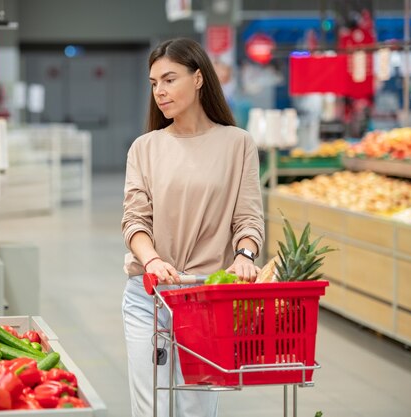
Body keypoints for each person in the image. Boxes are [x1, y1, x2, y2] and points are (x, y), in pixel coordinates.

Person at [121, 38, 265, 416]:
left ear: (199, 78)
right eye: (153, 83)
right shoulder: (144, 147)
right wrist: (151, 261)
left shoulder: (238, 144)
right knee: (151, 407)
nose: (160, 92)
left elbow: (248, 217)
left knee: (196, 410)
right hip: (148, 294)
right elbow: (134, 219)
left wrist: (245, 255)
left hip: (206, 298)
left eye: (169, 79)